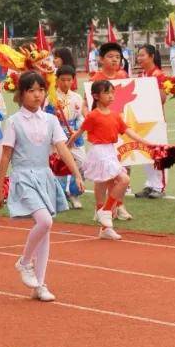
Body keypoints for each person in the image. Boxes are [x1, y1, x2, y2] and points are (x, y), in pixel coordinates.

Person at [0, 72, 84, 302]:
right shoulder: (14, 121)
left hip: (45, 176)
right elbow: (6, 155)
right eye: (32, 90)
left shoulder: (50, 120)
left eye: (41, 90)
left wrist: (76, 173)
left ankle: (40, 285)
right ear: (21, 94)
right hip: (24, 177)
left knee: (45, 231)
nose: (37, 95)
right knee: (45, 221)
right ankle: (24, 262)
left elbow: (62, 148)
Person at [67, 80, 154, 240]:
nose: (111, 96)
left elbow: (128, 131)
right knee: (122, 179)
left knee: (105, 183)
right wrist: (67, 145)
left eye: (112, 92)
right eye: (107, 92)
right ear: (96, 96)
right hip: (99, 151)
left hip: (110, 151)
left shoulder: (115, 115)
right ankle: (106, 211)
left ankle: (105, 226)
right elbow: (79, 132)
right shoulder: (93, 115)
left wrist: (145, 142)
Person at [134, 44, 168, 200]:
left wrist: (146, 96)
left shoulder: (159, 75)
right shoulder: (141, 76)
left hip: (156, 120)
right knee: (146, 154)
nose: (139, 58)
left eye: (142, 55)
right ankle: (150, 184)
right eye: (138, 55)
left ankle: (159, 187)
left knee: (158, 154)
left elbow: (162, 98)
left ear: (151, 56)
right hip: (143, 121)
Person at [52, 66, 85, 209]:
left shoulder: (77, 97)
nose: (66, 83)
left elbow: (81, 117)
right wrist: (54, 115)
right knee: (58, 165)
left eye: (69, 80)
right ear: (57, 80)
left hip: (74, 136)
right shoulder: (51, 97)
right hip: (57, 137)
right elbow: (46, 117)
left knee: (83, 163)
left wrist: (76, 130)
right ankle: (60, 196)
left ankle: (74, 193)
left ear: (73, 80)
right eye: (62, 80)